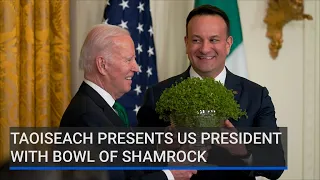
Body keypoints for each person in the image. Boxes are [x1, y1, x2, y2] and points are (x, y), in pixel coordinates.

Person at [137, 5, 285, 180]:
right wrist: (163, 148)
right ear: (186, 43)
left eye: (214, 40)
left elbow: (276, 165)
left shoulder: (256, 96)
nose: (205, 49)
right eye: (196, 40)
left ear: (228, 44)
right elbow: (138, 163)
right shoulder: (158, 94)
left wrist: (242, 151)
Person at [59, 24, 196, 180]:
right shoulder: (86, 118)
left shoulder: (103, 107)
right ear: (102, 65)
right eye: (128, 59)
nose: (136, 68)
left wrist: (163, 145)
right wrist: (170, 175)